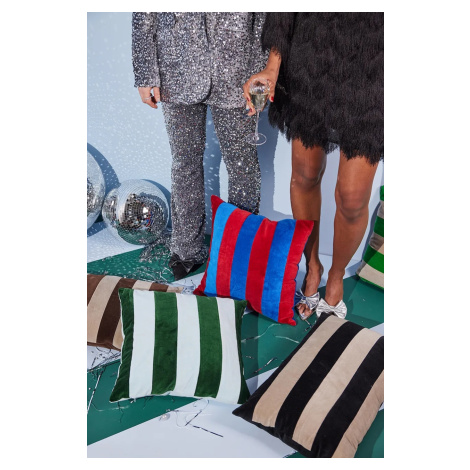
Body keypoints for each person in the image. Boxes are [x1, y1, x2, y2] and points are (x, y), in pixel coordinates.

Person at [243, 13, 383, 320]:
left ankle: (336, 277)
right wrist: (273, 66)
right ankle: (313, 267)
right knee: (305, 176)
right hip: (312, 56)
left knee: (352, 198)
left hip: (376, 67)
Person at [132, 12, 267, 280]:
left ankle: (238, 253)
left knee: (243, 166)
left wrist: (260, 71)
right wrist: (145, 72)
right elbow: (143, 13)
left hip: (239, 68)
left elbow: (265, 15)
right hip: (175, 65)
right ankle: (187, 249)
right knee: (184, 162)